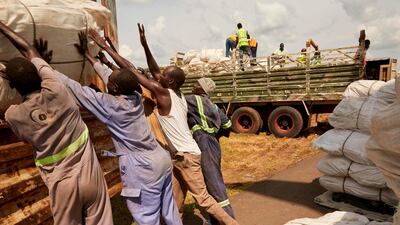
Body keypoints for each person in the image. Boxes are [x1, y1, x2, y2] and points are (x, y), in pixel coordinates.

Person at [116, 23, 237, 225]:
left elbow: (131, 71)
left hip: (187, 157)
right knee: (175, 201)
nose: (159, 75)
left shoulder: (164, 94)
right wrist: (145, 45)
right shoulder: (176, 93)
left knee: (204, 200)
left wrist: (107, 47)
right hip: (178, 158)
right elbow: (154, 70)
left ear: (170, 82)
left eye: (164, 75)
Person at [0, 21, 113, 225]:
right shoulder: (57, 89)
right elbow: (29, 50)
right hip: (90, 173)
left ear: (13, 86)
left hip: (61, 184)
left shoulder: (14, 116)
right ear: (39, 74)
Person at [69, 31, 182, 225]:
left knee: (147, 217)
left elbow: (74, 88)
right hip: (160, 159)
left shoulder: (112, 105)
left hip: (143, 168)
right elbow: (111, 76)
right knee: (169, 212)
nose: (108, 80)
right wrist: (88, 56)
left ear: (114, 89)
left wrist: (41, 63)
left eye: (110, 83)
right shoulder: (135, 97)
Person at [186, 78, 235, 225]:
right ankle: (215, 219)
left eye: (197, 84)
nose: (193, 86)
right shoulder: (213, 105)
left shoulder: (193, 100)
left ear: (203, 89)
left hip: (204, 143)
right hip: (212, 144)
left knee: (214, 184)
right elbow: (228, 124)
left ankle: (228, 220)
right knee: (211, 182)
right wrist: (215, 134)